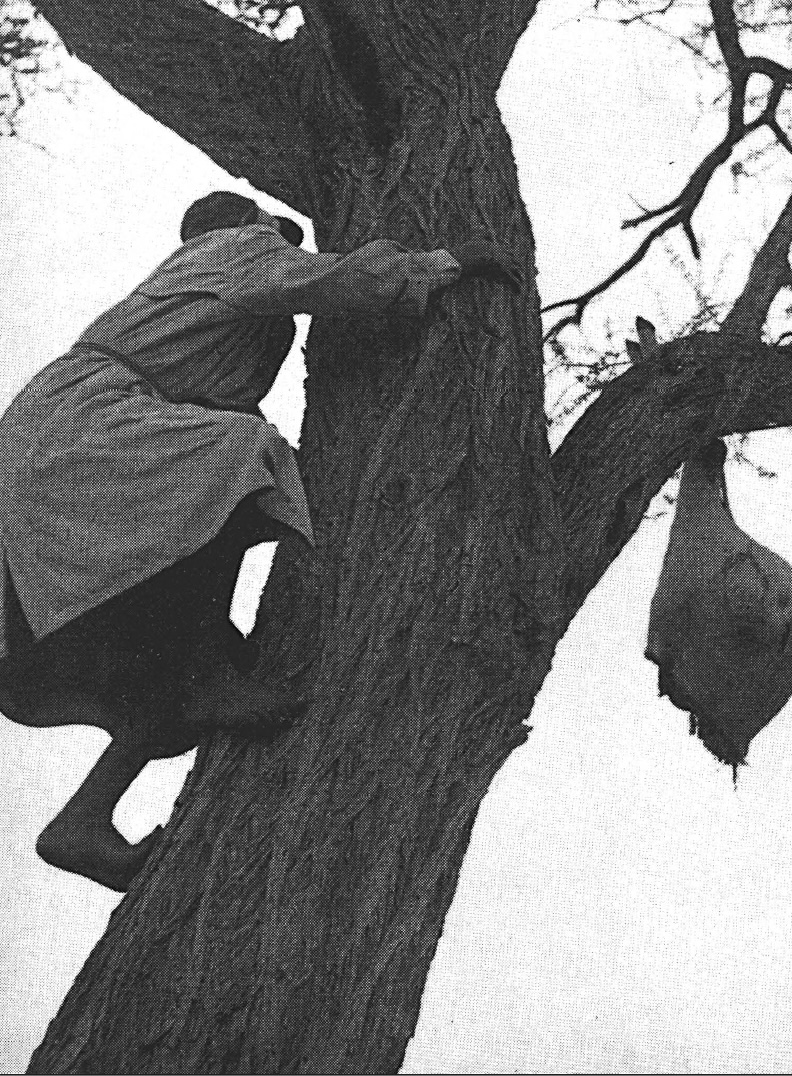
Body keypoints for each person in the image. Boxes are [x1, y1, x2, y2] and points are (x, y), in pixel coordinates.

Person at [0, 191, 518, 891]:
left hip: (59, 438)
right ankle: (210, 673)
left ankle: (82, 822)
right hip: (87, 427)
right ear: (245, 224)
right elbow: (343, 284)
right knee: (244, 455)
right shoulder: (233, 249)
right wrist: (445, 260)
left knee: (172, 668)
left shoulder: (184, 280)